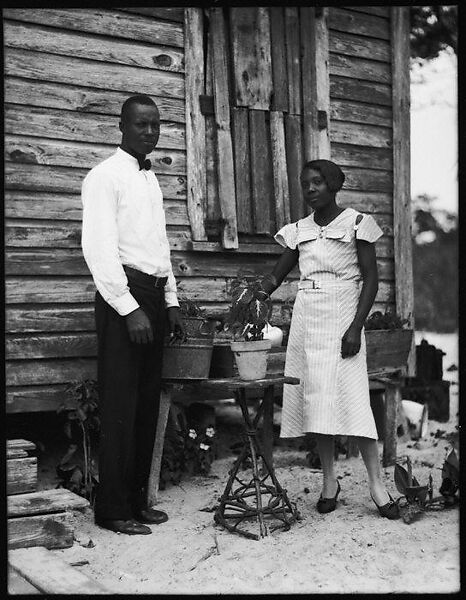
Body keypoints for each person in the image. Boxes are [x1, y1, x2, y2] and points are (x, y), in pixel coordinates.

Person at [254, 159, 399, 519]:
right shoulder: (299, 229)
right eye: (305, 184)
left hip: (343, 314)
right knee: (318, 398)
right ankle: (329, 481)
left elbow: (371, 280)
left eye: (318, 182)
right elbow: (276, 275)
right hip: (308, 317)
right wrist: (253, 296)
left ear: (333, 185)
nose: (311, 189)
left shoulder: (357, 224)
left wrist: (355, 328)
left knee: (353, 400)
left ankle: (376, 485)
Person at [81, 94, 186, 535]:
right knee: (122, 404)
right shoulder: (104, 177)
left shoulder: (149, 178)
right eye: (141, 124)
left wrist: (172, 301)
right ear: (121, 126)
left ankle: (138, 501)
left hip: (154, 294)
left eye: (155, 125)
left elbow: (158, 246)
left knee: (145, 404)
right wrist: (129, 309)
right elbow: (99, 249)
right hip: (124, 297)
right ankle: (111, 511)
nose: (150, 132)